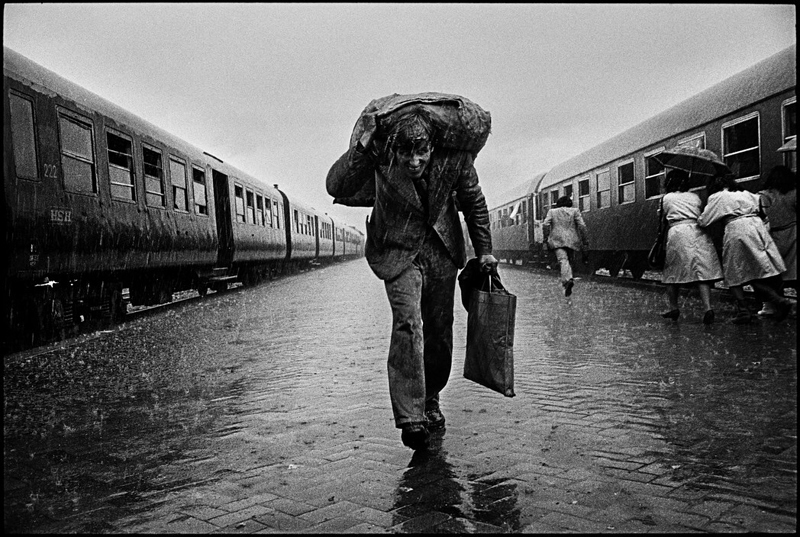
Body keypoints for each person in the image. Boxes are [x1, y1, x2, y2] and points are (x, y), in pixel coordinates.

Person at [326, 109, 497, 451]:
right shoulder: (378, 153)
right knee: (408, 323)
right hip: (397, 250)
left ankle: (430, 397)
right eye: (406, 153)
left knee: (439, 329)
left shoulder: (456, 158)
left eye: (422, 152)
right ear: (394, 147)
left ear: (433, 146)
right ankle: (410, 416)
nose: (414, 161)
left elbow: (474, 202)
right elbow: (338, 185)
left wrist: (485, 251)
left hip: (441, 249)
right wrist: (362, 144)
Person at [697, 173, 791, 324]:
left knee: (733, 273)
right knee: (755, 271)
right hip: (757, 229)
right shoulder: (747, 194)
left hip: (737, 230)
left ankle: (746, 310)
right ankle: (778, 300)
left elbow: (704, 221)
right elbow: (763, 214)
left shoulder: (717, 197)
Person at [658, 169, 723, 324]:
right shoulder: (695, 197)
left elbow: (661, 219)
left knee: (672, 272)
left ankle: (674, 307)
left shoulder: (666, 198)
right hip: (697, 231)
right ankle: (708, 308)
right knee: (701, 271)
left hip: (677, 232)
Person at [757, 165, 796, 316]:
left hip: (772, 236)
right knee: (794, 270)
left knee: (771, 272)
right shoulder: (793, 193)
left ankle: (770, 305)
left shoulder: (762, 195)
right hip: (793, 234)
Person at [542, 195, 589, 297]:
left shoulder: (552, 212)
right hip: (572, 240)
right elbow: (582, 226)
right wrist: (585, 241)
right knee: (569, 260)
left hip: (557, 240)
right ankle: (568, 279)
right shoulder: (575, 211)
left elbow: (545, 224)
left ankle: (567, 280)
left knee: (563, 260)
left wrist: (545, 238)